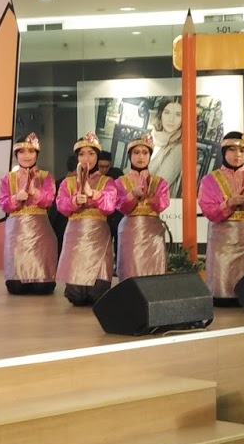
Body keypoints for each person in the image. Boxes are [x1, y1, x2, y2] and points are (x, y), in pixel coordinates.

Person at [197, 131, 244, 303]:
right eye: (232, 150)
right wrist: (229, 203)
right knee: (222, 278)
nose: (237, 155)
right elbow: (209, 211)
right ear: (224, 152)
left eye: (242, 151)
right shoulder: (210, 179)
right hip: (222, 236)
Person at [57, 133, 121, 307]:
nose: (86, 158)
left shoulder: (107, 181)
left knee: (97, 293)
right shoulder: (67, 183)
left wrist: (93, 194)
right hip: (75, 235)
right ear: (77, 157)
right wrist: (74, 201)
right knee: (76, 295)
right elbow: (61, 206)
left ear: (97, 157)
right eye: (82, 154)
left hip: (98, 234)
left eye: (91, 154)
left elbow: (109, 206)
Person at [0, 133, 58, 295]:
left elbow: (49, 200)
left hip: (40, 229)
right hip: (17, 231)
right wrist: (16, 198)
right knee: (16, 286)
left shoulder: (46, 177)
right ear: (16, 154)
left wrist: (35, 192)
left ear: (37, 154)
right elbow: (3, 203)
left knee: (42, 286)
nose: (26, 156)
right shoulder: (8, 178)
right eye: (22, 152)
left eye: (31, 152)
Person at [116, 133, 171, 280]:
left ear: (150, 155)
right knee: (130, 268)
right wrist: (132, 194)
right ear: (130, 155)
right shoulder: (120, 182)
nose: (141, 157)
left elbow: (162, 205)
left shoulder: (160, 182)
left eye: (145, 152)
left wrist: (152, 197)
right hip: (130, 232)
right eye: (136, 152)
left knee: (153, 270)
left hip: (153, 232)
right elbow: (121, 207)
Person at [147, 98, 184, 196]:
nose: (171, 119)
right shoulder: (153, 135)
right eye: (167, 112)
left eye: (178, 115)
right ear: (161, 114)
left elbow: (157, 186)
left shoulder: (180, 148)